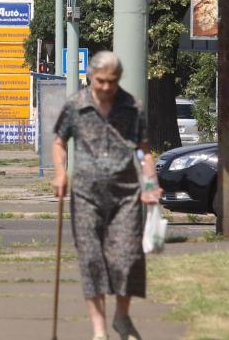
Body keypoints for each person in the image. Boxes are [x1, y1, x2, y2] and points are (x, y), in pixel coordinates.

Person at [51, 51, 162, 340]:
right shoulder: (76, 105)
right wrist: (61, 173)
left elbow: (142, 149)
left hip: (126, 195)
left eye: (111, 81)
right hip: (86, 194)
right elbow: (60, 142)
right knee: (91, 260)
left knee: (127, 258)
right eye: (100, 81)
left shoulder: (131, 107)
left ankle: (121, 317)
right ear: (91, 76)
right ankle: (99, 330)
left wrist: (150, 187)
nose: (105, 87)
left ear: (119, 79)